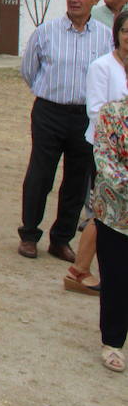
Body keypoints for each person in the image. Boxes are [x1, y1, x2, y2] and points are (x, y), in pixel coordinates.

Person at [16, 0, 111, 262]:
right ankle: (29, 235)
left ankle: (61, 239)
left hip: (85, 116)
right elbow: (29, 70)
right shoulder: (46, 32)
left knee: (76, 179)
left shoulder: (105, 37)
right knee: (40, 175)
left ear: (95, 0)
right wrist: (50, 93)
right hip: (49, 112)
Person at [76, 10, 128, 294]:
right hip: (106, 151)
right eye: (126, 31)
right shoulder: (102, 66)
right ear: (117, 34)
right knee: (105, 214)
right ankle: (82, 270)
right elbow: (95, 111)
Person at [91, 92, 128, 373]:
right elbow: (105, 161)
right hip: (117, 214)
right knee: (117, 278)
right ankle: (113, 342)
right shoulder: (112, 114)